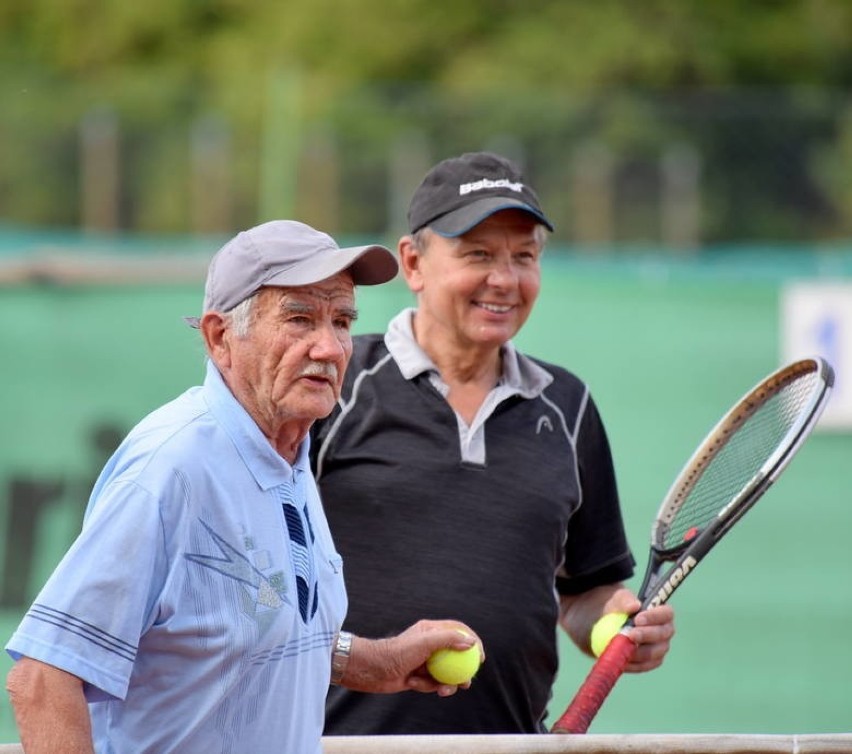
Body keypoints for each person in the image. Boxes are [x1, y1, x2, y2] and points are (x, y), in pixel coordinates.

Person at [5, 220, 483, 754]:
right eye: (299, 319)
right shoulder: (173, 468)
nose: (328, 347)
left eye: (342, 320)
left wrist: (376, 662)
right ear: (219, 337)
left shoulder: (290, 451)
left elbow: (243, 631)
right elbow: (45, 678)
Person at [310, 152, 676, 735]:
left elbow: (583, 593)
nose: (504, 279)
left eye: (524, 257)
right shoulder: (336, 383)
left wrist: (618, 624)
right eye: (477, 254)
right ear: (414, 262)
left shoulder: (570, 405)